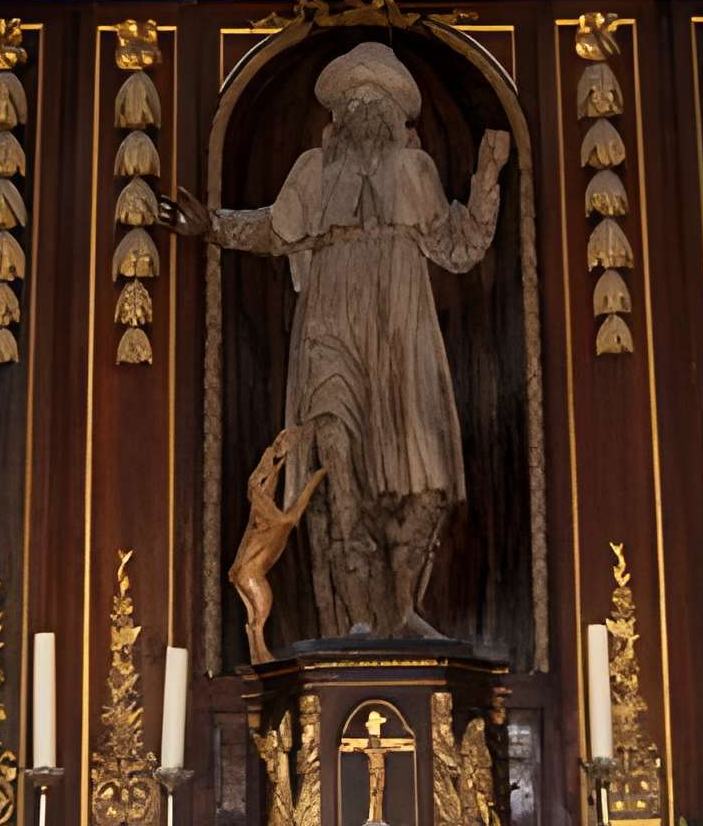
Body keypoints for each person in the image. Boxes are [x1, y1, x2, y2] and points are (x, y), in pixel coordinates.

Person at [168, 41, 510, 638]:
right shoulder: (312, 171)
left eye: (376, 99)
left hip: (401, 337)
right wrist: (212, 227)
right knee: (336, 464)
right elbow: (275, 229)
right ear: (336, 116)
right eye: (353, 99)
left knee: (420, 480)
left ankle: (402, 610)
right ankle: (354, 616)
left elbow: (460, 247)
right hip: (331, 330)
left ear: (398, 115)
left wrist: (487, 178)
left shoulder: (416, 171)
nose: (364, 109)